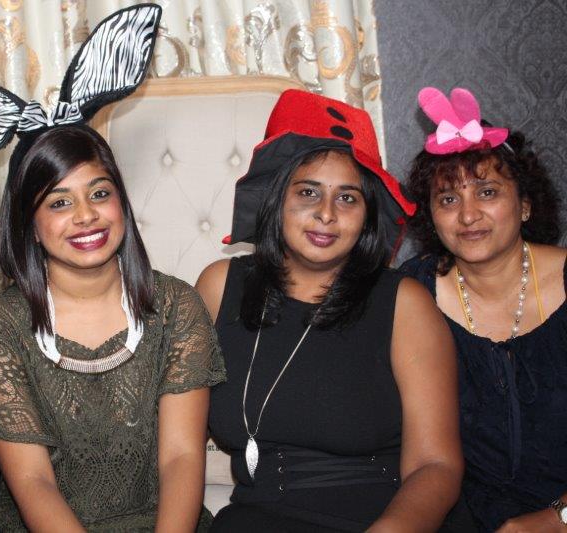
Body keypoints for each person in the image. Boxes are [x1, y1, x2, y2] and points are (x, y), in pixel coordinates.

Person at [0, 5, 224, 531]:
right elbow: (33, 482)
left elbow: (182, 457)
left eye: (100, 193)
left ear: (121, 202)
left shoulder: (176, 307)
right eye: (59, 202)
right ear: (29, 223)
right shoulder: (0, 330)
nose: (86, 215)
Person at [197, 90, 475, 532]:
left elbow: (436, 465)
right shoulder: (218, 288)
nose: (326, 213)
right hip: (254, 519)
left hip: (381, 518)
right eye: (308, 192)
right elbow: (177, 444)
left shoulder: (405, 303)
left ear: (366, 216)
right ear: (276, 198)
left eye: (347, 198)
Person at [400, 86, 567, 532]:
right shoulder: (412, 295)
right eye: (448, 199)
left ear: (525, 205)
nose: (468, 215)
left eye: (487, 192)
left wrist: (557, 518)